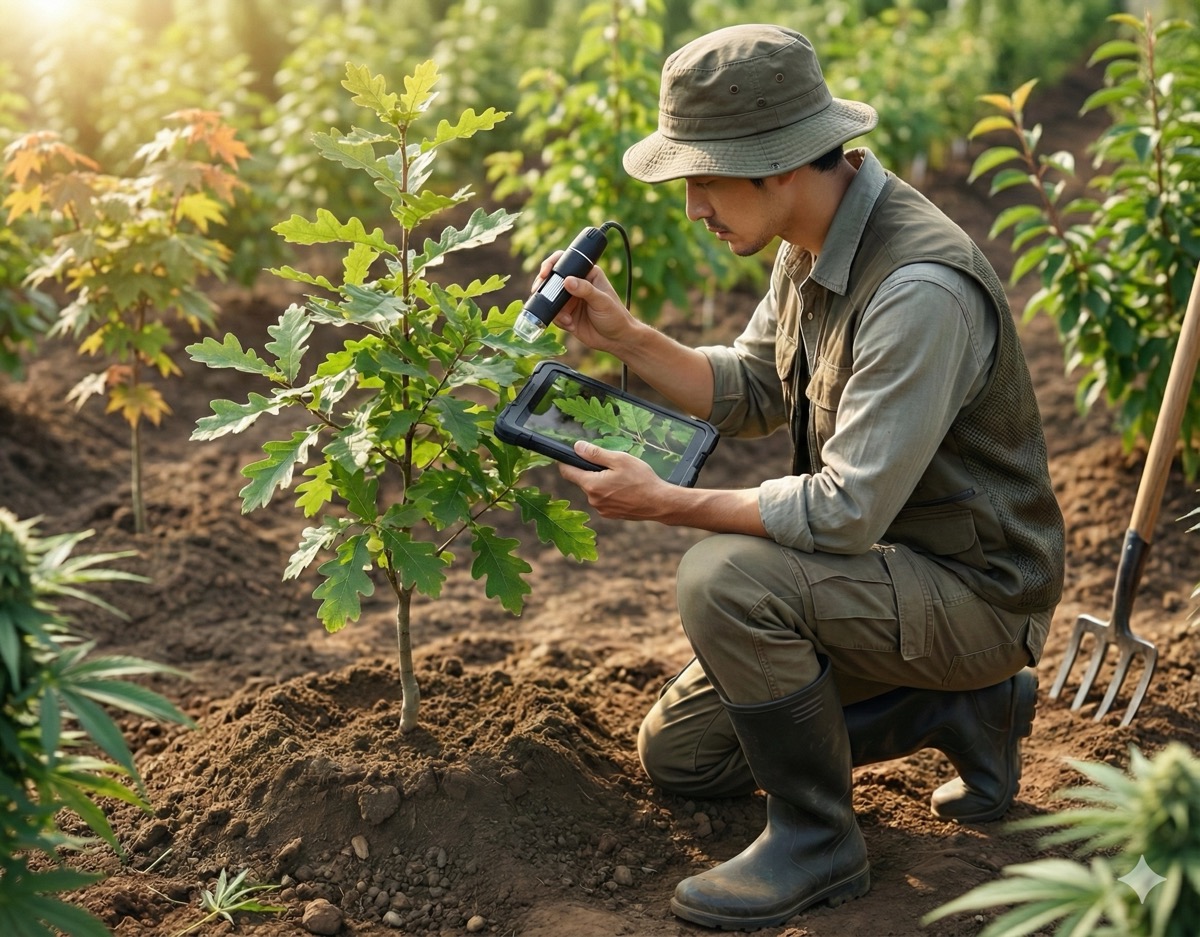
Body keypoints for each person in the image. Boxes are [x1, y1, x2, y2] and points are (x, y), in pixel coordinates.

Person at [535, 23, 1065, 931]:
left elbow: (845, 510)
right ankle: (966, 711)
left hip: (977, 592)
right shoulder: (809, 239)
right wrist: (625, 338)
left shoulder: (918, 289)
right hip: (883, 574)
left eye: (704, 179)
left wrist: (666, 503)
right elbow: (751, 387)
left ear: (777, 166)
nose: (692, 207)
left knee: (724, 577)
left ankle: (818, 839)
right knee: (685, 756)